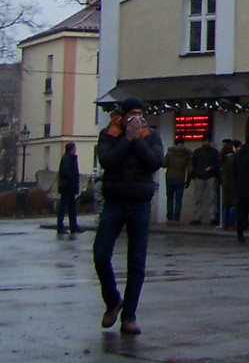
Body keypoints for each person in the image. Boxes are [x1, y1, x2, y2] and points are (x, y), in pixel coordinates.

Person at [93, 97, 164, 335]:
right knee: (101, 254)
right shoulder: (109, 135)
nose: (136, 118)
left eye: (140, 114)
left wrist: (137, 141)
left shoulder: (151, 136)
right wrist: (126, 139)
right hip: (114, 201)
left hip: (139, 203)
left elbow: (155, 162)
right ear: (122, 116)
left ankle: (129, 316)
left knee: (136, 262)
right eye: (131, 114)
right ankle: (113, 300)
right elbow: (107, 161)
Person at [189, 138, 221, 226]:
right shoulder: (212, 152)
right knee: (199, 198)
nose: (206, 142)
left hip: (207, 176)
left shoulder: (199, 152)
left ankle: (211, 217)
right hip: (203, 176)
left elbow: (218, 163)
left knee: (212, 198)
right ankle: (198, 217)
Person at [162, 139, 192, 223]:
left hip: (169, 178)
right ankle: (177, 219)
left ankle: (169, 219)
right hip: (180, 179)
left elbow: (164, 165)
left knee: (170, 199)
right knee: (178, 199)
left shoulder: (170, 153)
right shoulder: (187, 154)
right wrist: (188, 180)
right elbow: (190, 169)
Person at [56, 141, 82, 234]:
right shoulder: (67, 159)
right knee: (64, 207)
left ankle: (73, 225)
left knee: (71, 207)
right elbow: (67, 172)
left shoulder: (69, 158)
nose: (75, 149)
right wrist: (73, 180)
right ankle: (61, 226)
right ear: (72, 149)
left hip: (68, 186)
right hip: (67, 187)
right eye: (74, 148)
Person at [218, 140, 237, 229]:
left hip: (225, 183)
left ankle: (224, 223)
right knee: (234, 204)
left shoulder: (223, 159)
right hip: (232, 183)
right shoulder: (232, 159)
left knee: (226, 204)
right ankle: (231, 223)